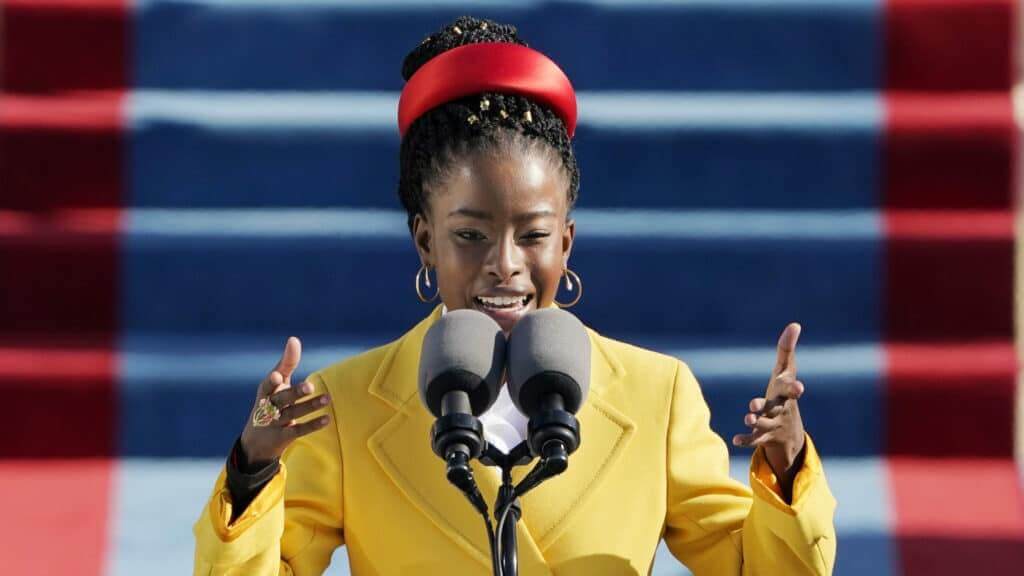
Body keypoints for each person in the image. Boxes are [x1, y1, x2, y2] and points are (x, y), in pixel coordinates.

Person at [193, 16, 836, 575]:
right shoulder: (346, 407)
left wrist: (785, 468)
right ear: (424, 241)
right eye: (470, 235)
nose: (505, 265)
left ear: (567, 241)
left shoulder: (656, 395)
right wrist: (252, 469)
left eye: (534, 234)